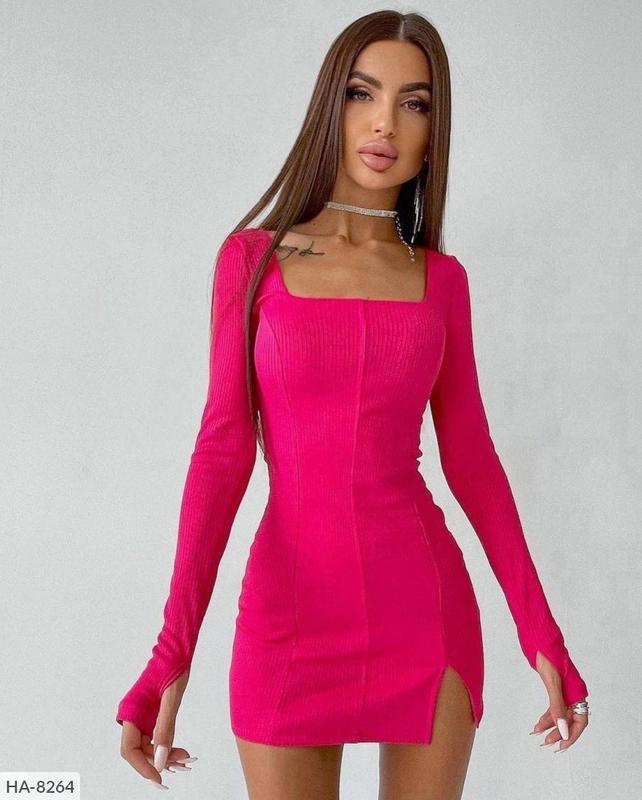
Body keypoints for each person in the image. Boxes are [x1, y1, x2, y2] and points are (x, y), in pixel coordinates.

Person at [116, 10, 589, 798]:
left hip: (424, 610)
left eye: (415, 103)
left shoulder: (442, 281)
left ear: (435, 132)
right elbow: (224, 451)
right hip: (289, 615)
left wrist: (542, 632)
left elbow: (471, 458)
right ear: (329, 108)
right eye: (363, 94)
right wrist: (172, 651)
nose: (385, 123)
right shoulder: (252, 260)